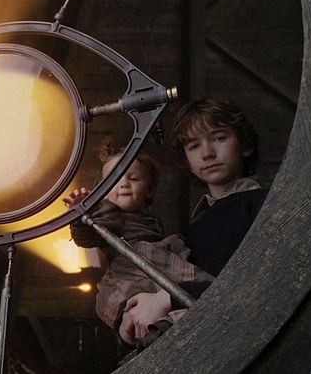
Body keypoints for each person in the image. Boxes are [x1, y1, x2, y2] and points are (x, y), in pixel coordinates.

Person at [118, 97, 268, 345]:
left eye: (219, 138)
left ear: (245, 145)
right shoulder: (193, 229)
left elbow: (263, 283)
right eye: (194, 146)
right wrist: (136, 310)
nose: (207, 153)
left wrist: (167, 299)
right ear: (187, 161)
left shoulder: (264, 204)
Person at [64, 139, 213, 333]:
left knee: (167, 293)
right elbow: (86, 237)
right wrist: (80, 216)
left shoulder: (151, 221)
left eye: (133, 178)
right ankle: (212, 288)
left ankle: (165, 323)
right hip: (134, 264)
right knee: (185, 278)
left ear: (150, 190)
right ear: (104, 192)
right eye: (114, 180)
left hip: (149, 270)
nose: (124, 184)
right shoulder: (109, 214)